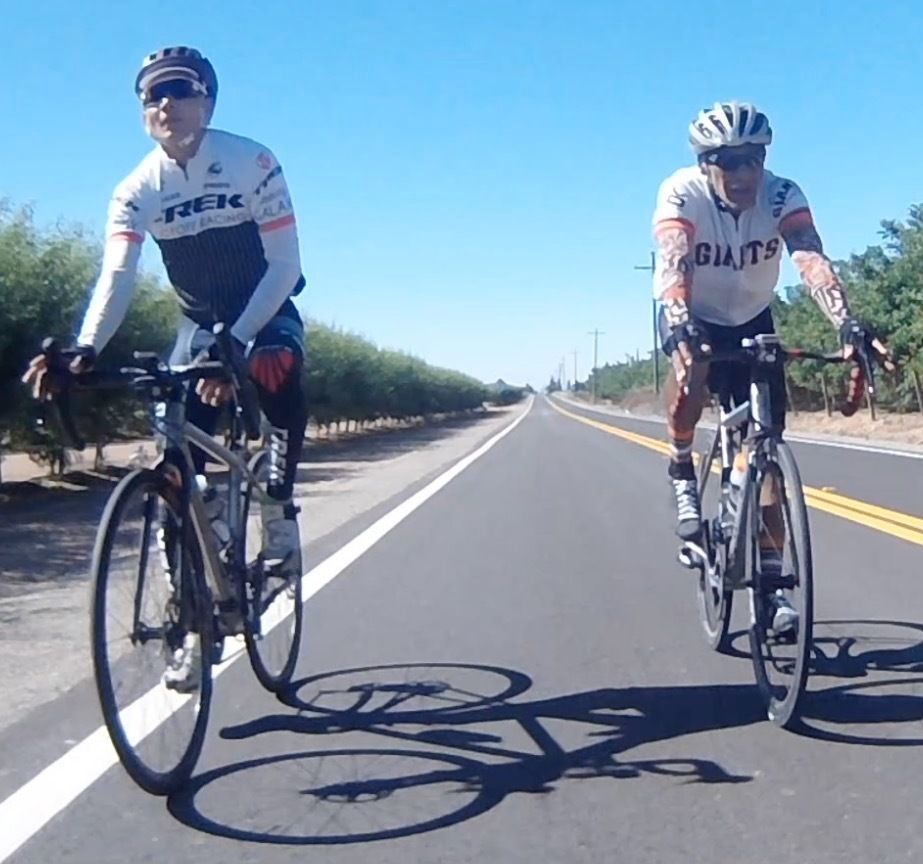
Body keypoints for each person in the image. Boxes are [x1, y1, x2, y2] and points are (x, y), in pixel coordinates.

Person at [24, 46, 308, 687]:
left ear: (208, 100)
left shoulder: (253, 162)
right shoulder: (135, 190)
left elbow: (285, 266)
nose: (165, 104)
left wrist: (239, 341)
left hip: (264, 314)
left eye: (180, 90)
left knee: (277, 367)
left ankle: (278, 512)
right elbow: (118, 276)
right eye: (152, 95)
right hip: (197, 327)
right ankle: (192, 619)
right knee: (176, 463)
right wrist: (85, 349)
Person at [652, 101, 890, 631]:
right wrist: (681, 322)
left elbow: (809, 257)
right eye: (729, 160)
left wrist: (846, 322)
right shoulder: (681, 192)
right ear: (706, 162)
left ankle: (773, 586)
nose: (744, 172)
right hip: (693, 311)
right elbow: (673, 260)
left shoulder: (782, 194)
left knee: (765, 456)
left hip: (753, 315)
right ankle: (681, 465)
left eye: (754, 158)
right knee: (693, 372)